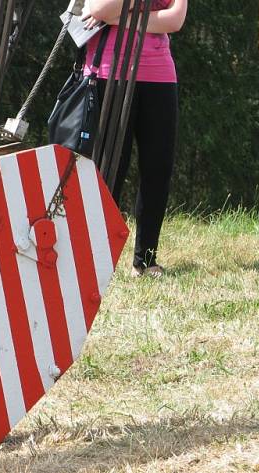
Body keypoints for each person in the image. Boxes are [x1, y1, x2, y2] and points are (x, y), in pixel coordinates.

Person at [83, 0, 188, 277]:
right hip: (110, 70)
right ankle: (95, 259)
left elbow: (175, 20)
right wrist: (142, 16)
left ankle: (146, 259)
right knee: (109, 168)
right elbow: (98, 9)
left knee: (158, 168)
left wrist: (119, 19)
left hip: (160, 74)